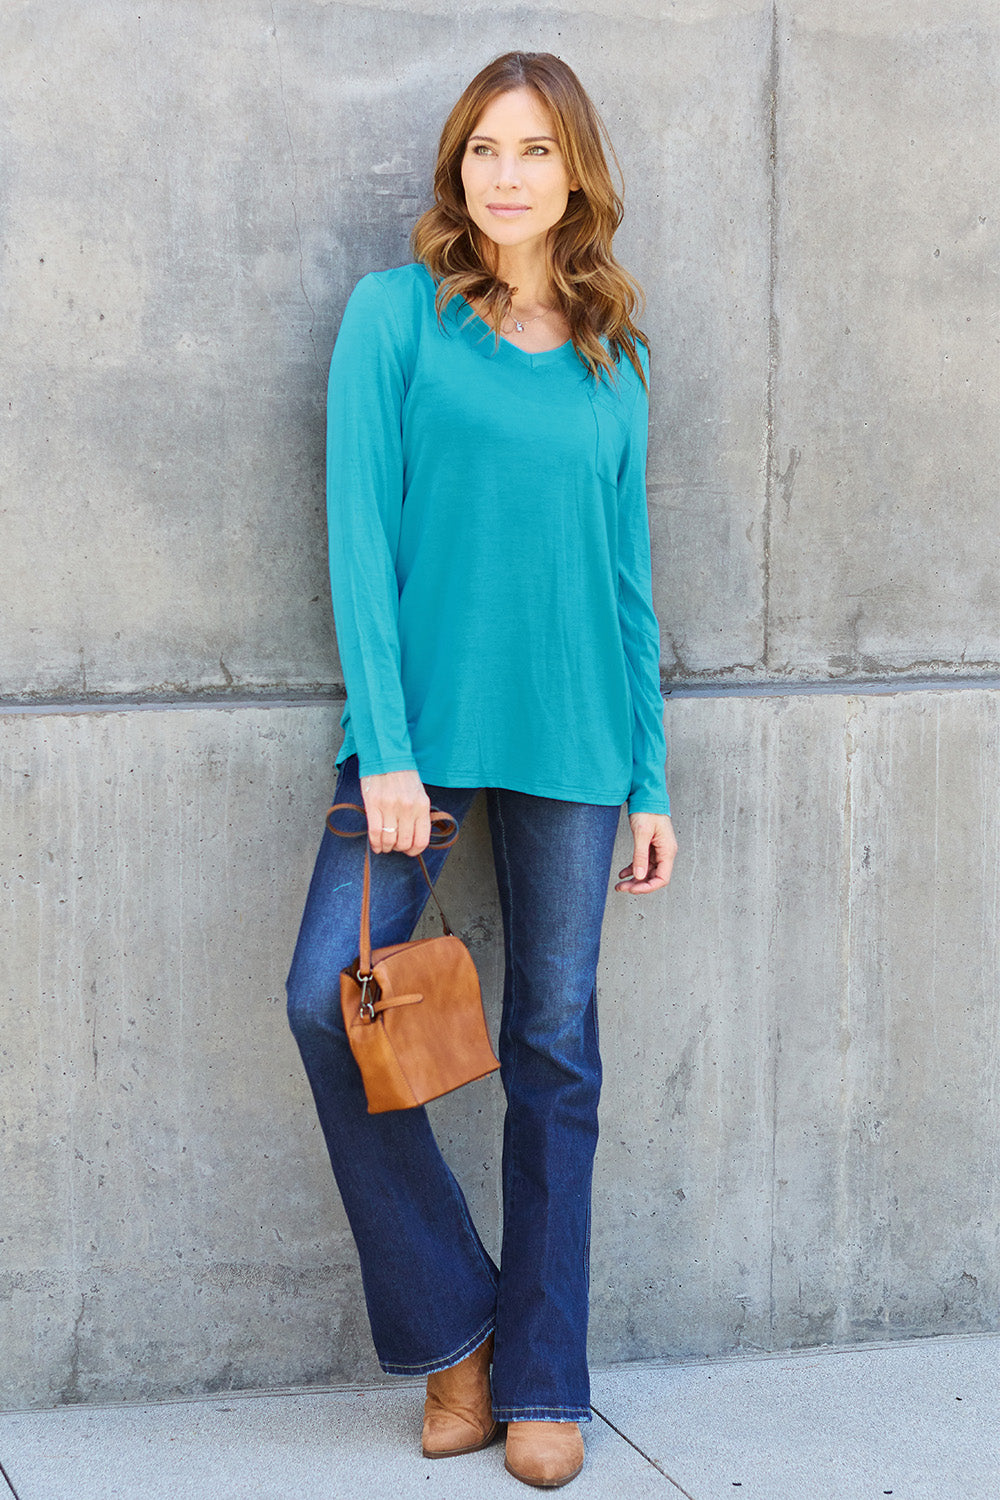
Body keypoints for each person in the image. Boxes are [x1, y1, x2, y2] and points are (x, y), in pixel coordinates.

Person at [285, 49, 678, 1490]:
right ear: (458, 172)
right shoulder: (395, 320)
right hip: (425, 745)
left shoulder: (614, 356)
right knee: (324, 1002)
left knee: (553, 1053)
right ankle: (460, 1331)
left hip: (579, 746)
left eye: (532, 151)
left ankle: (547, 1377)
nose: (504, 174)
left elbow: (630, 584)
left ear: (574, 172)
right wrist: (387, 749)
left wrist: (654, 778)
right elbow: (357, 544)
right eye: (482, 151)